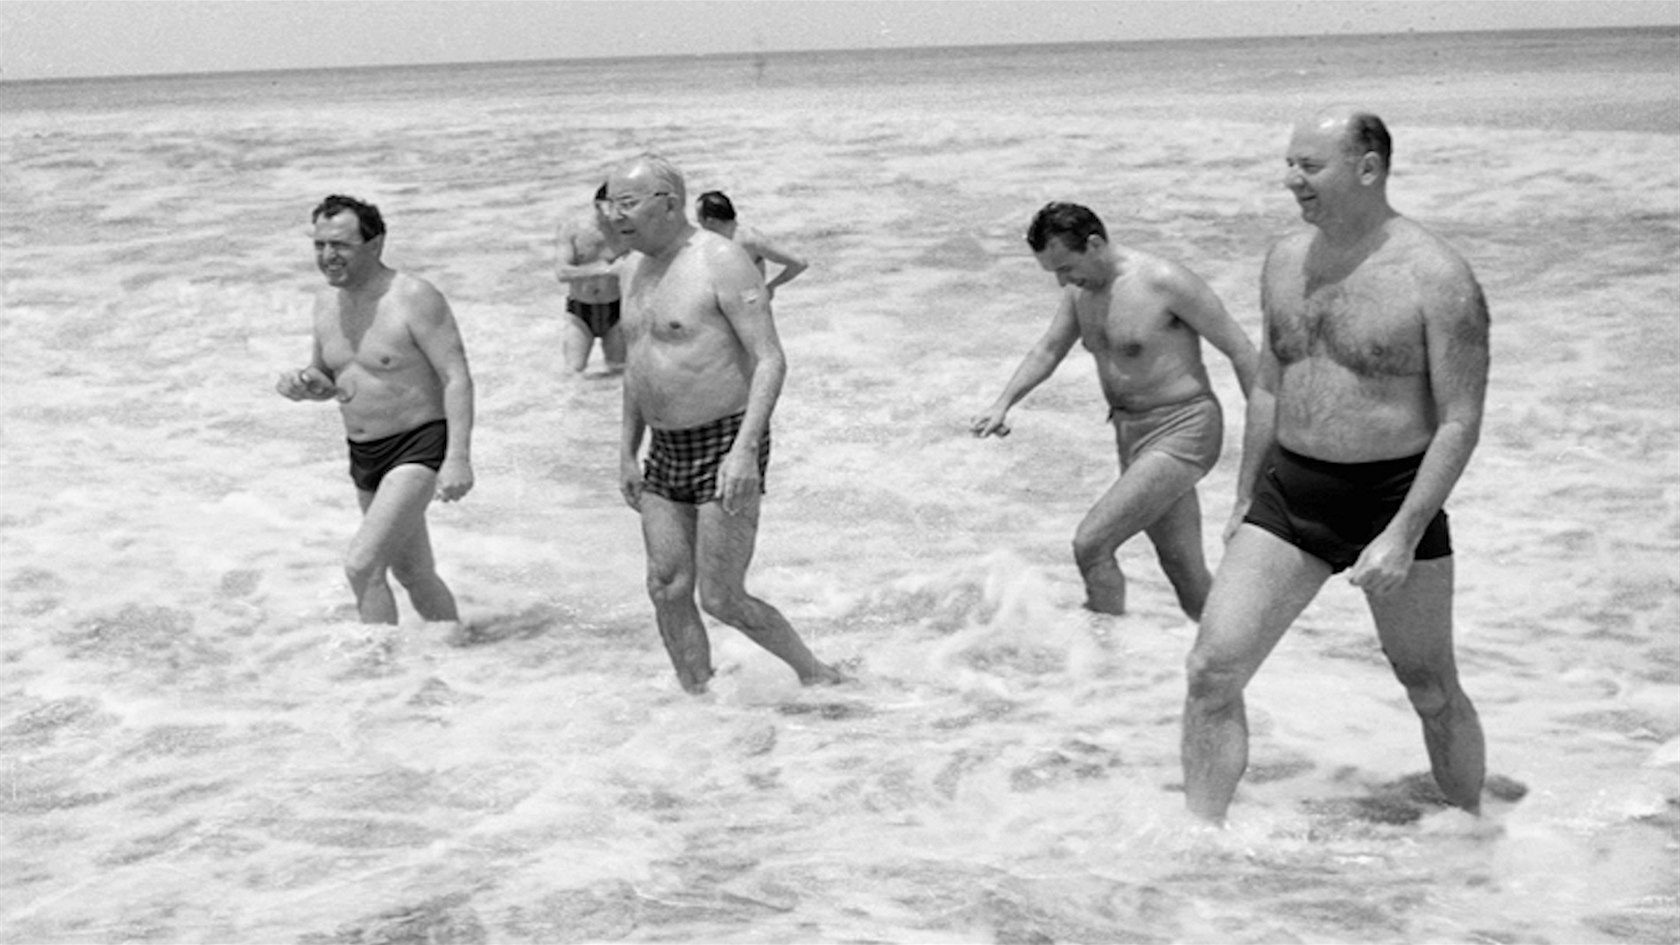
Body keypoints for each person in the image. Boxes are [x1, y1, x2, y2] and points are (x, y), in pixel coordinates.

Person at [1181, 108, 1490, 824]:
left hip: (1391, 498)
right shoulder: (1285, 259)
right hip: (1291, 493)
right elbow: (1270, 381)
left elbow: (1459, 420)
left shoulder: (1436, 276)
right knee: (1212, 671)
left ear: (1368, 168)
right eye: (1289, 163)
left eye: (1309, 165)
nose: (1291, 179)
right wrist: (1244, 496)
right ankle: (1200, 843)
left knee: (1430, 687)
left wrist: (1403, 535)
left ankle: (1475, 838)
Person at [607, 155, 844, 694]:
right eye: (610, 204)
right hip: (663, 447)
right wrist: (626, 451)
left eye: (626, 203)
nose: (614, 215)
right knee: (666, 586)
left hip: (724, 440)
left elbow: (770, 359)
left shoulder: (721, 260)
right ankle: (698, 700)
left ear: (668, 203)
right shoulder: (632, 269)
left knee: (721, 597)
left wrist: (744, 451)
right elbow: (637, 370)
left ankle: (818, 675)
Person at [971, 202, 1257, 618]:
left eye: (1066, 268)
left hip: (1184, 428)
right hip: (1131, 434)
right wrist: (1003, 403)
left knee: (1092, 543)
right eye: (1054, 273)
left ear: (1094, 244)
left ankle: (1101, 654)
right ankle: (1239, 649)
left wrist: (1269, 435)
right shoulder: (1079, 293)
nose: (1062, 281)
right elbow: (1048, 350)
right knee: (1184, 572)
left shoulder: (1163, 281)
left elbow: (1242, 350)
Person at [276, 195, 476, 626]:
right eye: (320, 245)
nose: (328, 256)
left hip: (418, 445)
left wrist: (458, 458)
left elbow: (456, 376)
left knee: (362, 565)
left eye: (340, 245)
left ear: (375, 244)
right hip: (365, 453)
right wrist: (305, 384)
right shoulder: (326, 302)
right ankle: (459, 647)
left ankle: (379, 665)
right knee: (414, 573)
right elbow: (328, 374)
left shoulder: (413, 296)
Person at [554, 183, 628, 375]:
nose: (620, 213)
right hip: (581, 311)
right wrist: (606, 270)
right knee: (573, 373)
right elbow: (562, 272)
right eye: (614, 206)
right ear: (598, 205)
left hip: (616, 310)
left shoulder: (627, 231)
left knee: (619, 372)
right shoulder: (573, 230)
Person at [695, 191, 809, 303]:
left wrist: (771, 287)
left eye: (699, 217)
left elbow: (799, 263)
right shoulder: (707, 239)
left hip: (748, 309)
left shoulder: (750, 239)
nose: (697, 221)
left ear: (711, 221)